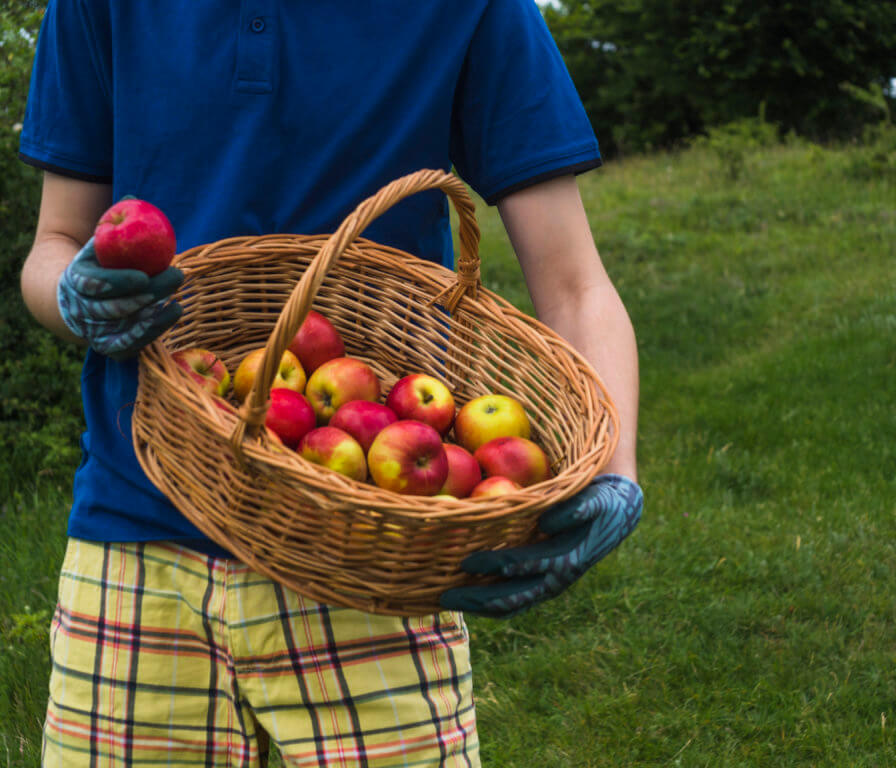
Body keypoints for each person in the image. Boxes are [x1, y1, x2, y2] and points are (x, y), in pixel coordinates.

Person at [18, 1, 643, 765]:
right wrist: (73, 297)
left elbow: (576, 285)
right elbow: (55, 244)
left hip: (374, 545)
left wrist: (613, 474)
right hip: (136, 524)